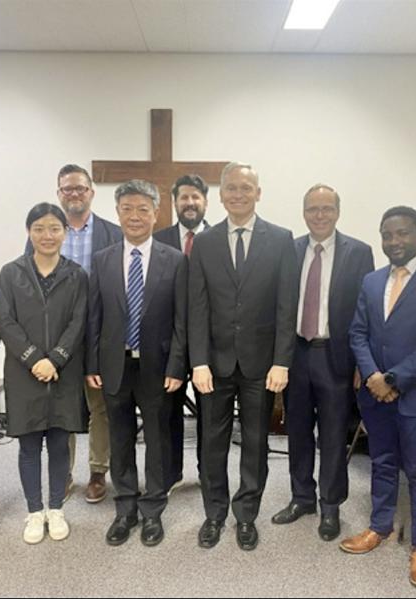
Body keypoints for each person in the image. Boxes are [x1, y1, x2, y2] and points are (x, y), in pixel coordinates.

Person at [342, 206, 416, 589]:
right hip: (375, 396)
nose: (394, 241)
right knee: (381, 462)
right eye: (387, 234)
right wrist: (375, 377)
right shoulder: (372, 281)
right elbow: (358, 333)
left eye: (403, 233)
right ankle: (379, 527)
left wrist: (394, 378)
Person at [189, 162, 299, 551]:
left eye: (246, 188)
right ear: (221, 195)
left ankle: (246, 515)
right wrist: (197, 361)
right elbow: (196, 306)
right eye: (231, 188)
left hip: (261, 365)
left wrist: (282, 361)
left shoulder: (282, 239)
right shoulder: (204, 243)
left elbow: (288, 306)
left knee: (255, 444)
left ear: (258, 192)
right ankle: (214, 513)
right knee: (211, 444)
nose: (238, 194)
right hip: (214, 365)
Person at [87, 179, 188, 547]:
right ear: (117, 213)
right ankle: (125, 507)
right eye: (127, 209)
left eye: (142, 209)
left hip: (158, 368)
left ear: (156, 213)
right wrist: (91, 364)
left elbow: (182, 321)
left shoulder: (175, 260)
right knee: (121, 436)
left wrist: (178, 366)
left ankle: (152, 510)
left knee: (159, 440)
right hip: (115, 364)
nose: (134, 216)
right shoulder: (102, 260)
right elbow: (93, 317)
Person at [271, 184, 373, 541]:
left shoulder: (359, 252)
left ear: (338, 212)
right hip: (296, 354)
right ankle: (302, 498)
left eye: (326, 208)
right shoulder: (290, 249)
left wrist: (364, 363)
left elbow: (366, 311)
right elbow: (280, 305)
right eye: (313, 208)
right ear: (303, 212)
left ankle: (330, 506)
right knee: (297, 432)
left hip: (336, 356)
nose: (319, 215)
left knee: (332, 436)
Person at [26, 164, 122, 504]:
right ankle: (62, 474)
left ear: (92, 192)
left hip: (98, 337)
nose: (74, 194)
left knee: (101, 409)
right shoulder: (45, 234)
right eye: (67, 189)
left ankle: (98, 473)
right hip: (56, 341)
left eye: (80, 188)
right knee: (62, 409)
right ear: (58, 194)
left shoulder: (114, 233)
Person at [0, 203, 89, 544]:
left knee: (59, 444)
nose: (47, 235)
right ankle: (34, 511)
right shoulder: (11, 273)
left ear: (64, 233)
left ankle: (56, 508)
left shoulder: (77, 274)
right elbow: (6, 320)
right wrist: (34, 358)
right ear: (29, 232)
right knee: (28, 446)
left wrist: (56, 359)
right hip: (24, 372)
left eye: (54, 228)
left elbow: (78, 322)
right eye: (39, 228)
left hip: (63, 372)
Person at [153, 173, 211, 490]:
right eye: (184, 197)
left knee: (210, 412)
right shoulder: (158, 240)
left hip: (209, 343)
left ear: (205, 201)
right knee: (167, 412)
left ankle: (207, 470)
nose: (190, 203)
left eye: (195, 197)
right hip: (168, 342)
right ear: (174, 202)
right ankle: (170, 472)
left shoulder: (219, 238)